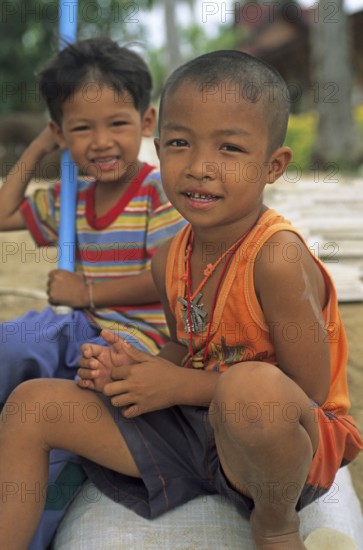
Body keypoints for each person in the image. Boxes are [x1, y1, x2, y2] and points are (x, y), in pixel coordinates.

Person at [0, 50, 362, 550]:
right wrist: (133, 370)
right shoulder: (168, 257)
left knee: (251, 389)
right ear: (157, 148)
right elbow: (185, 347)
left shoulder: (274, 257)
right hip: (197, 435)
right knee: (32, 403)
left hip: (276, 452)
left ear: (273, 166)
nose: (199, 168)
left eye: (230, 149)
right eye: (179, 143)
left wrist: (177, 384)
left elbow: (309, 390)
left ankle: (275, 528)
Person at [0, 37, 186, 408]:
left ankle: (71, 450)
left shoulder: (158, 191)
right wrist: (40, 146)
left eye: (117, 123)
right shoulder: (71, 196)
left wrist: (85, 293)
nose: (101, 142)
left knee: (102, 378)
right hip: (81, 326)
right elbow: (3, 216)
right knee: (12, 345)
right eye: (82, 129)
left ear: (146, 121)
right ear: (60, 132)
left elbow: (168, 279)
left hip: (142, 338)